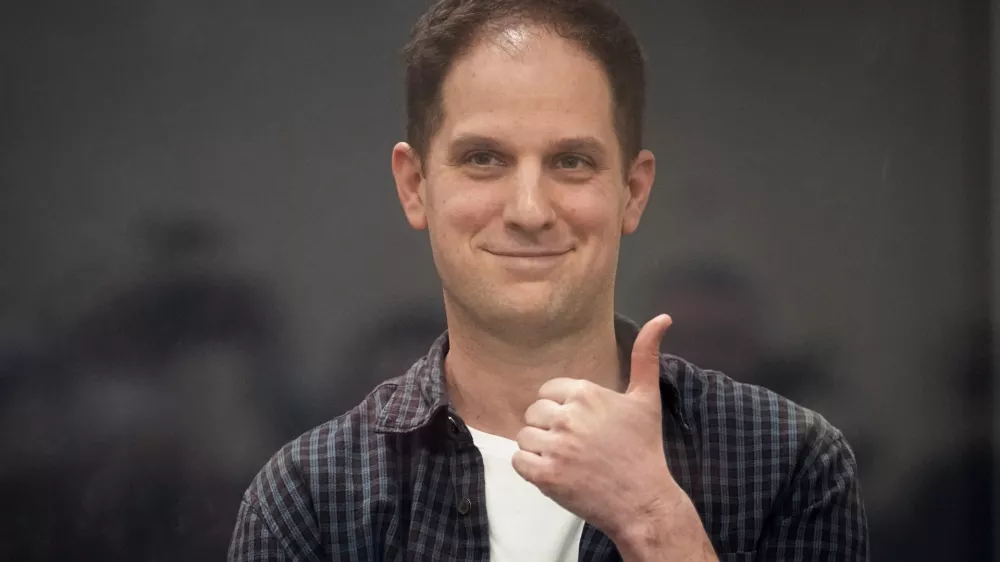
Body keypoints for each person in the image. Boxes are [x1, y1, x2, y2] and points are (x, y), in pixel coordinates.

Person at [229, 0, 868, 560]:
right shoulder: (311, 497)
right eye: (484, 159)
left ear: (633, 191)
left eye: (571, 161)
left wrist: (653, 520)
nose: (529, 210)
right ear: (415, 185)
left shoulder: (789, 462)